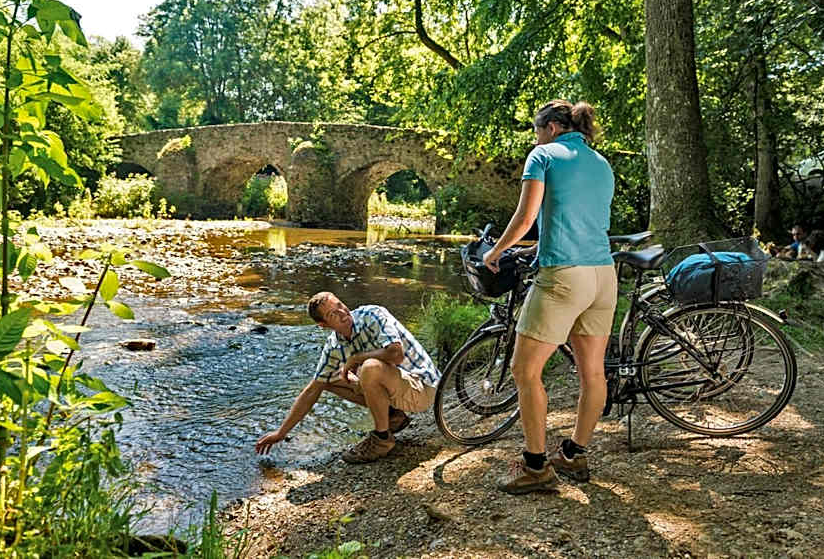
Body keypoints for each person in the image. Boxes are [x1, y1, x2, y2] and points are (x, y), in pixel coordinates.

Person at [482, 99, 616, 495]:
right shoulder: (602, 163)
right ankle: (574, 454)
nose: (536, 138)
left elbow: (526, 219)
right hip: (603, 275)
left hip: (563, 276)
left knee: (524, 370)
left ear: (552, 128)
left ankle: (535, 466)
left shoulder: (543, 155)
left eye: (537, 130)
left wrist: (495, 252)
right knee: (593, 372)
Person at [255, 292, 441, 464]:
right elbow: (312, 390)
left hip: (423, 389)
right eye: (333, 314)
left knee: (369, 367)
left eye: (340, 305)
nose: (343, 313)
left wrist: (357, 358)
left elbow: (396, 354)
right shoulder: (334, 346)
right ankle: (394, 417)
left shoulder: (372, 315)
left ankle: (382, 439)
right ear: (324, 325)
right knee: (328, 379)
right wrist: (281, 432)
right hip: (399, 390)